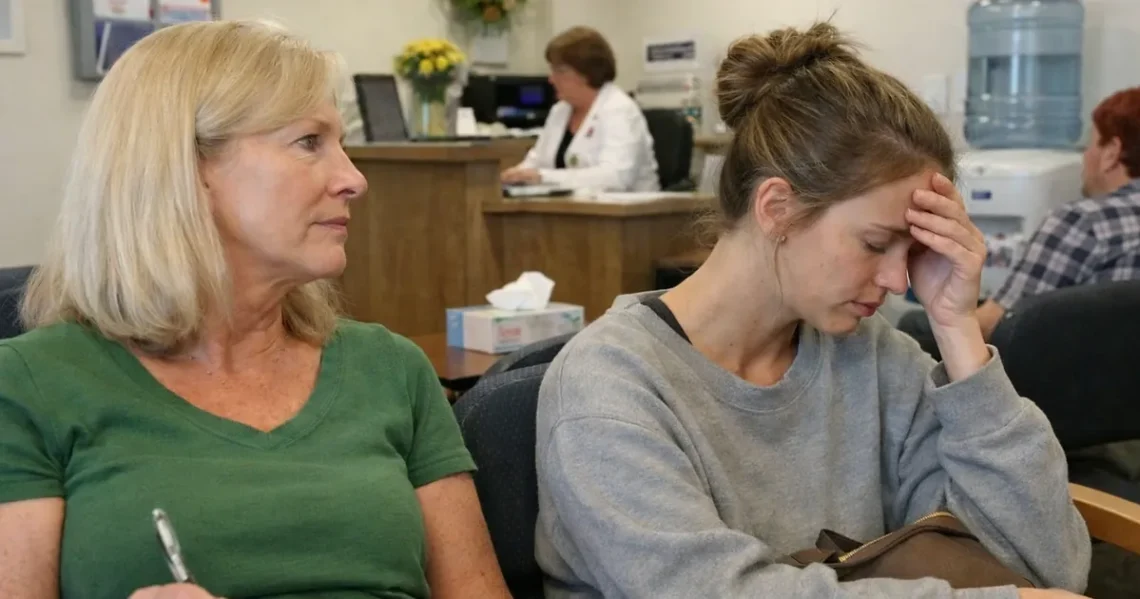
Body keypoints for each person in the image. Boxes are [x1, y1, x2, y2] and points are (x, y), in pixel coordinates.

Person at [534, 22, 1090, 599]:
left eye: (914, 250)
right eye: (877, 244)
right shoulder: (608, 386)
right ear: (776, 207)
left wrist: (959, 334)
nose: (899, 280)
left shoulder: (873, 355)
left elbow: (1045, 567)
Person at [0, 21, 510, 599]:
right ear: (187, 168)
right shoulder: (28, 385)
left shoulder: (392, 369)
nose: (353, 179)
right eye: (309, 142)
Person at [900, 86, 1140, 352]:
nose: (1085, 156)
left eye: (1090, 144)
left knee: (913, 324)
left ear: (1111, 153)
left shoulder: (1085, 222)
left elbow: (996, 325)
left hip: (1058, 381)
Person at [501, 26, 660, 192]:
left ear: (588, 73)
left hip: (628, 213)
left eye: (560, 71)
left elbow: (615, 178)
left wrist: (544, 177)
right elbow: (536, 162)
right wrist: (514, 176)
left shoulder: (619, 109)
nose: (551, 79)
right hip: (570, 211)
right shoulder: (560, 111)